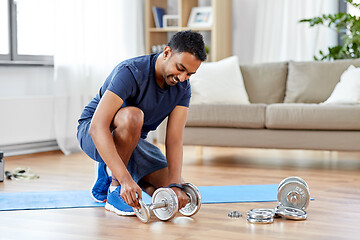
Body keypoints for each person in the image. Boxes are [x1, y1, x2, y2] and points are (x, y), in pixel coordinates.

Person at [77, 30, 207, 216]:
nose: (182, 78)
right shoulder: (131, 71)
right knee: (133, 115)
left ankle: (110, 170)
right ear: (167, 52)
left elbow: (174, 140)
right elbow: (97, 127)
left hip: (133, 143)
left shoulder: (182, 88)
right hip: (94, 131)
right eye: (180, 68)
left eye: (189, 74)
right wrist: (123, 180)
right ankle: (115, 188)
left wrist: (175, 185)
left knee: (169, 188)